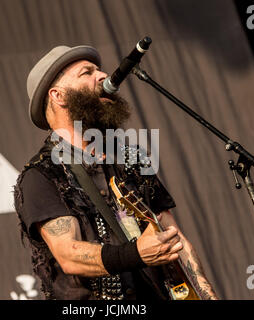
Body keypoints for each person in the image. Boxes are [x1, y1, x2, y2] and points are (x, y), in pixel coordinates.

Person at [13, 45, 218, 300]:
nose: (102, 75)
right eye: (87, 72)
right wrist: (137, 254)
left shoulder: (129, 158)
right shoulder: (41, 176)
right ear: (59, 96)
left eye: (99, 69)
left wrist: (206, 294)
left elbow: (174, 239)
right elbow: (69, 255)